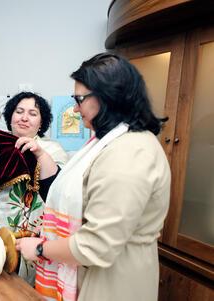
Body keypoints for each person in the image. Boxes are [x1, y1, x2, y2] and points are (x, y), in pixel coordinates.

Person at [15, 53, 171, 301]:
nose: (75, 108)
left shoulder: (129, 152)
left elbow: (96, 244)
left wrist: (42, 248)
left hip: (113, 283)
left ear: (107, 97)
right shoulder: (105, 143)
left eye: (80, 99)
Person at [0, 92, 68, 284]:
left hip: (28, 238)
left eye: (32, 113)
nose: (24, 117)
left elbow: (57, 192)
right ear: (10, 117)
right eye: (19, 111)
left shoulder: (51, 150)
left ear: (41, 122)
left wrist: (39, 154)